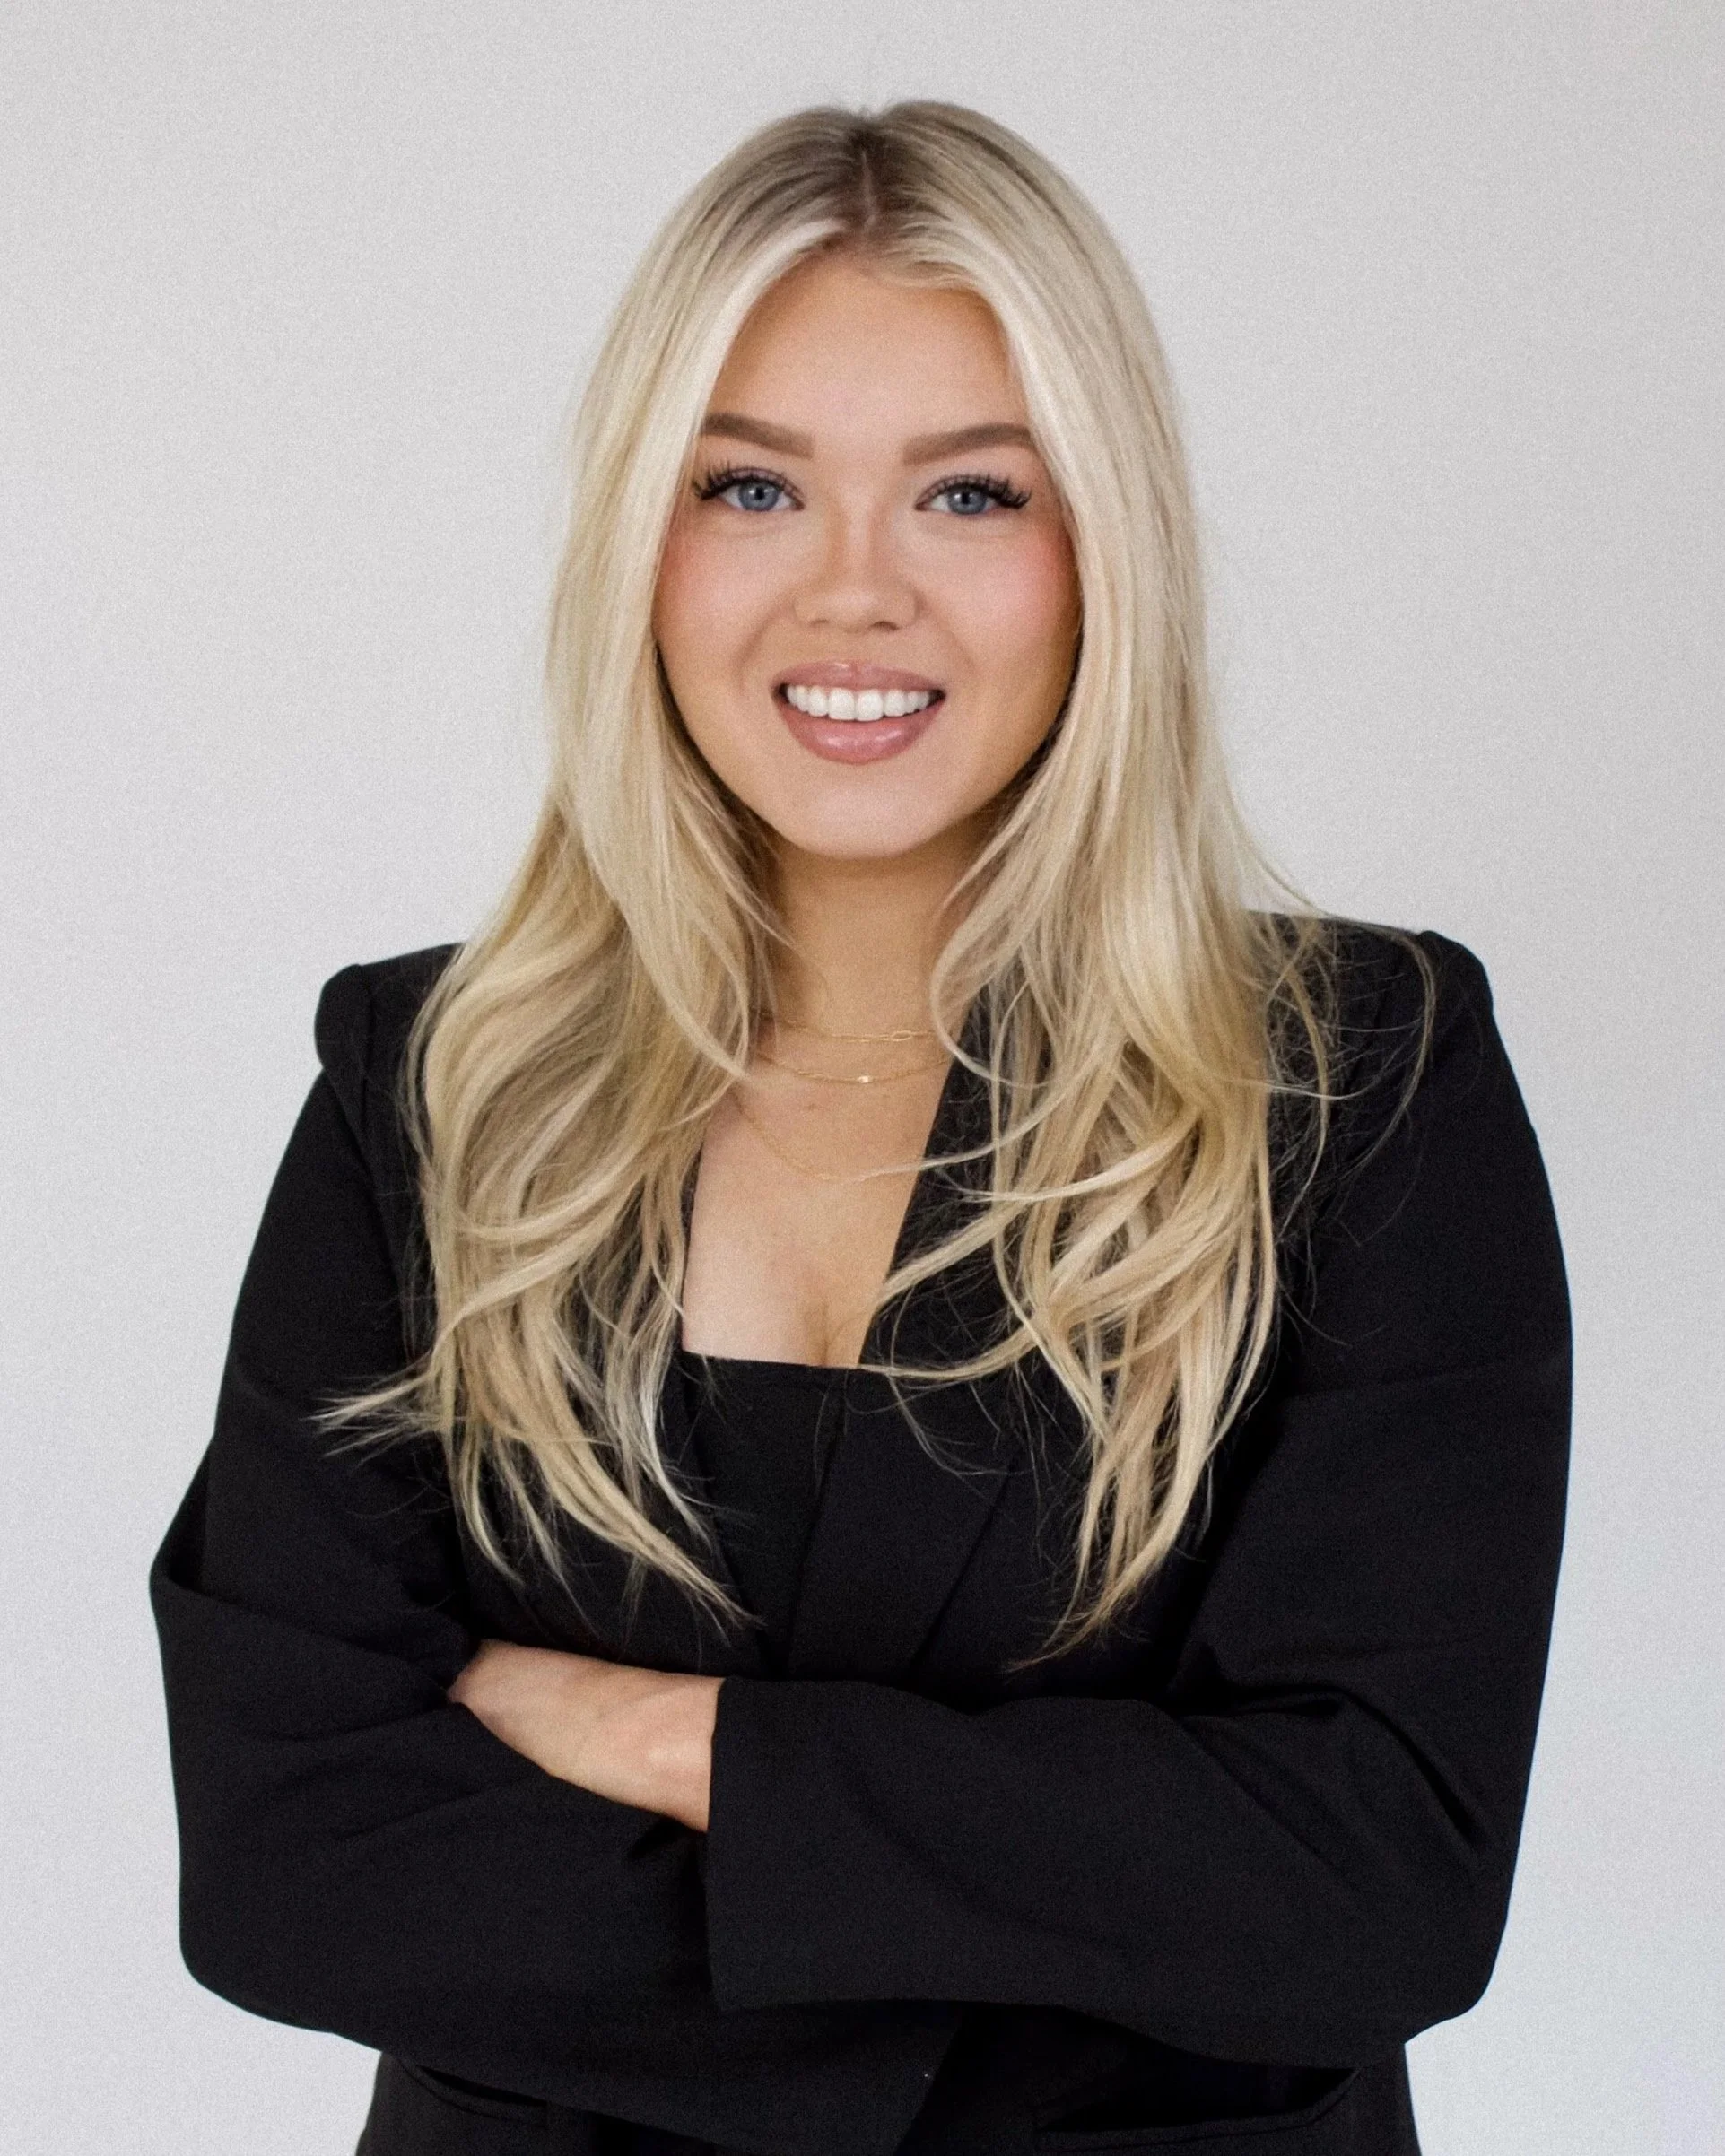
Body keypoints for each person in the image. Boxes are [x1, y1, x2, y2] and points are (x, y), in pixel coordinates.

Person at [149, 102, 1571, 2156]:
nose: (853, 595)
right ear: (644, 538)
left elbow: (1371, 1888)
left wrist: (664, 1733)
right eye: (751, 484)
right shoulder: (434, 1084)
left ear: (1105, 550)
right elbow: (291, 1863)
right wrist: (1090, 1916)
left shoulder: (1358, 1079)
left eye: (970, 494)